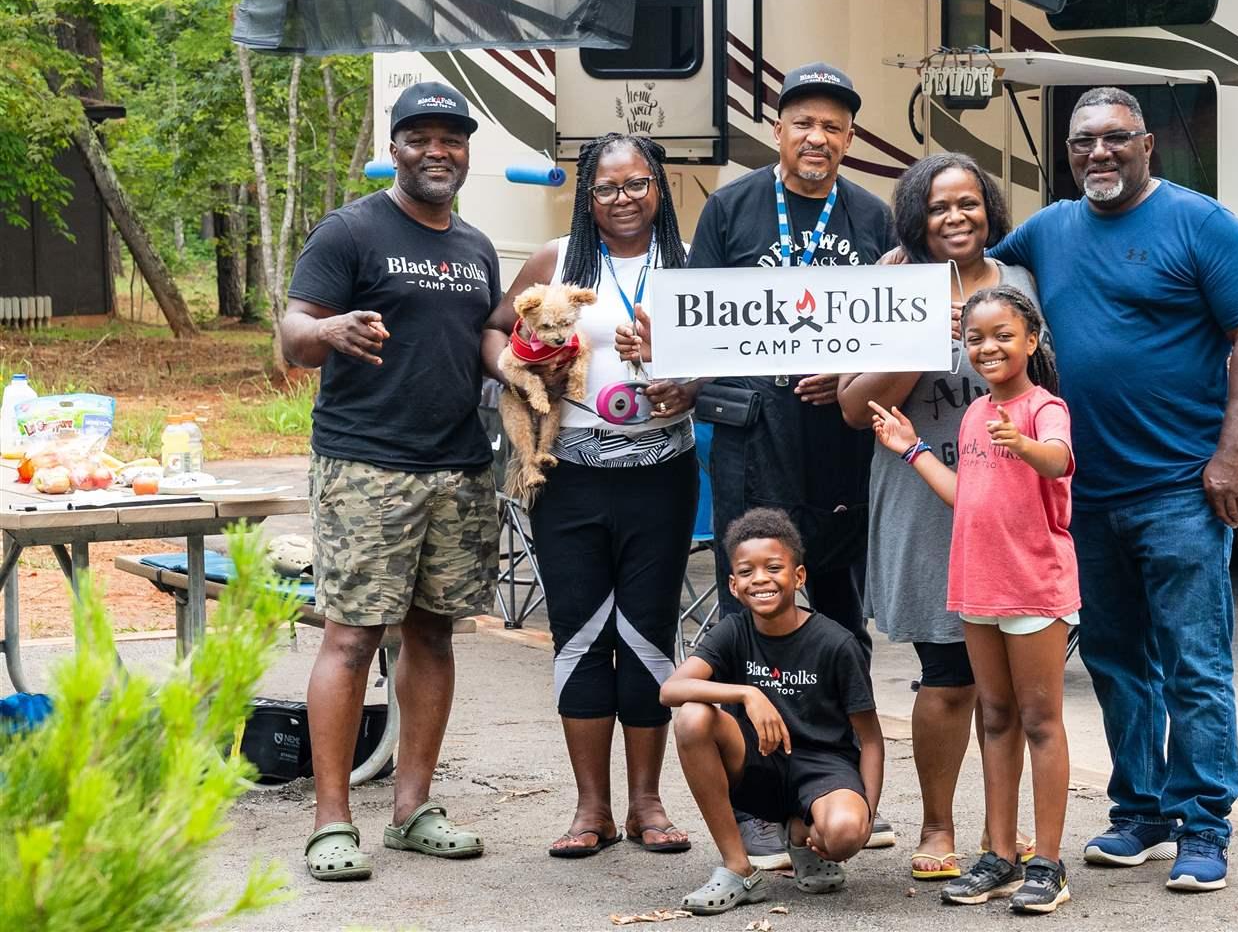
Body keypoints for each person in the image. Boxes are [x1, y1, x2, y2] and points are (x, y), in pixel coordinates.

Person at [989, 87, 1238, 893]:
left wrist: (1233, 455)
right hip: (1085, 494)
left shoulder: (1201, 223)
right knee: (1117, 659)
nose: (1099, 154)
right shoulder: (1047, 229)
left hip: (1182, 487)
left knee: (1194, 661)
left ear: (1148, 144)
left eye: (1116, 139)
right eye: (1084, 142)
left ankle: (1204, 823)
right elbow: (978, 266)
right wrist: (909, 264)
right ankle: (1141, 811)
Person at [624, 61, 896, 864]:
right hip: (751, 438)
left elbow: (896, 326)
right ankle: (756, 801)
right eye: (803, 122)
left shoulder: (873, 218)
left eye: (834, 126)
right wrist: (666, 357)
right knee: (753, 609)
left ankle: (841, 784)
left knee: (840, 617)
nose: (818, 137)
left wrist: (849, 369)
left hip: (837, 444)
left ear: (849, 139)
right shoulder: (734, 207)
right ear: (778, 130)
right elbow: (696, 319)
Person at [282, 81, 502, 882]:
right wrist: (327, 328)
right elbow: (292, 334)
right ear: (396, 146)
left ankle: (412, 810)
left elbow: (486, 340)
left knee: (434, 632)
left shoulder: (476, 246)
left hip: (459, 466)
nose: (438, 151)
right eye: (420, 137)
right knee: (351, 636)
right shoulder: (351, 230)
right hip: (367, 464)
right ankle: (332, 821)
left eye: (452, 138)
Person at [479, 133, 698, 858]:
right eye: (607, 188)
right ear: (586, 196)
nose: (624, 199)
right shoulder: (556, 261)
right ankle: (590, 808)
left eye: (637, 184)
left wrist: (683, 378)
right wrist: (516, 371)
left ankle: (647, 802)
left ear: (659, 187)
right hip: (569, 476)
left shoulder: (690, 264)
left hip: (663, 473)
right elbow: (494, 331)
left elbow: (719, 361)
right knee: (578, 634)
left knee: (648, 635)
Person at [836, 153, 1039, 881]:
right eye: (938, 206)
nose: (955, 217)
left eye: (969, 203)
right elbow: (854, 406)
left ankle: (1002, 837)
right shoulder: (890, 284)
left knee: (1008, 687)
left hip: (1008, 504)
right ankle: (938, 825)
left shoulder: (1020, 286)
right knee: (947, 677)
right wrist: (920, 333)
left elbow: (1046, 387)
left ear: (990, 210)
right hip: (922, 503)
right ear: (916, 217)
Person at [868, 284, 1078, 915]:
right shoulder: (972, 414)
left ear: (1032, 341)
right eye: (975, 339)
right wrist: (910, 449)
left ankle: (1048, 862)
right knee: (995, 718)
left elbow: (1059, 461)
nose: (987, 348)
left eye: (1003, 336)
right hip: (977, 584)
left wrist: (1023, 445)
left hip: (1034, 587)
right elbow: (967, 497)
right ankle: (1000, 858)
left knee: (1041, 721)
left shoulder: (1045, 409)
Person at [662, 508, 884, 916]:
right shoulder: (733, 631)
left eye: (774, 567)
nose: (760, 579)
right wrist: (748, 693)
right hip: (759, 766)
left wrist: (868, 811)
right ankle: (738, 870)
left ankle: (801, 836)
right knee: (693, 716)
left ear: (798, 577)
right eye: (746, 572)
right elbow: (671, 689)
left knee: (846, 833)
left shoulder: (836, 643)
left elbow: (870, 738)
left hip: (823, 768)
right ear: (733, 585)